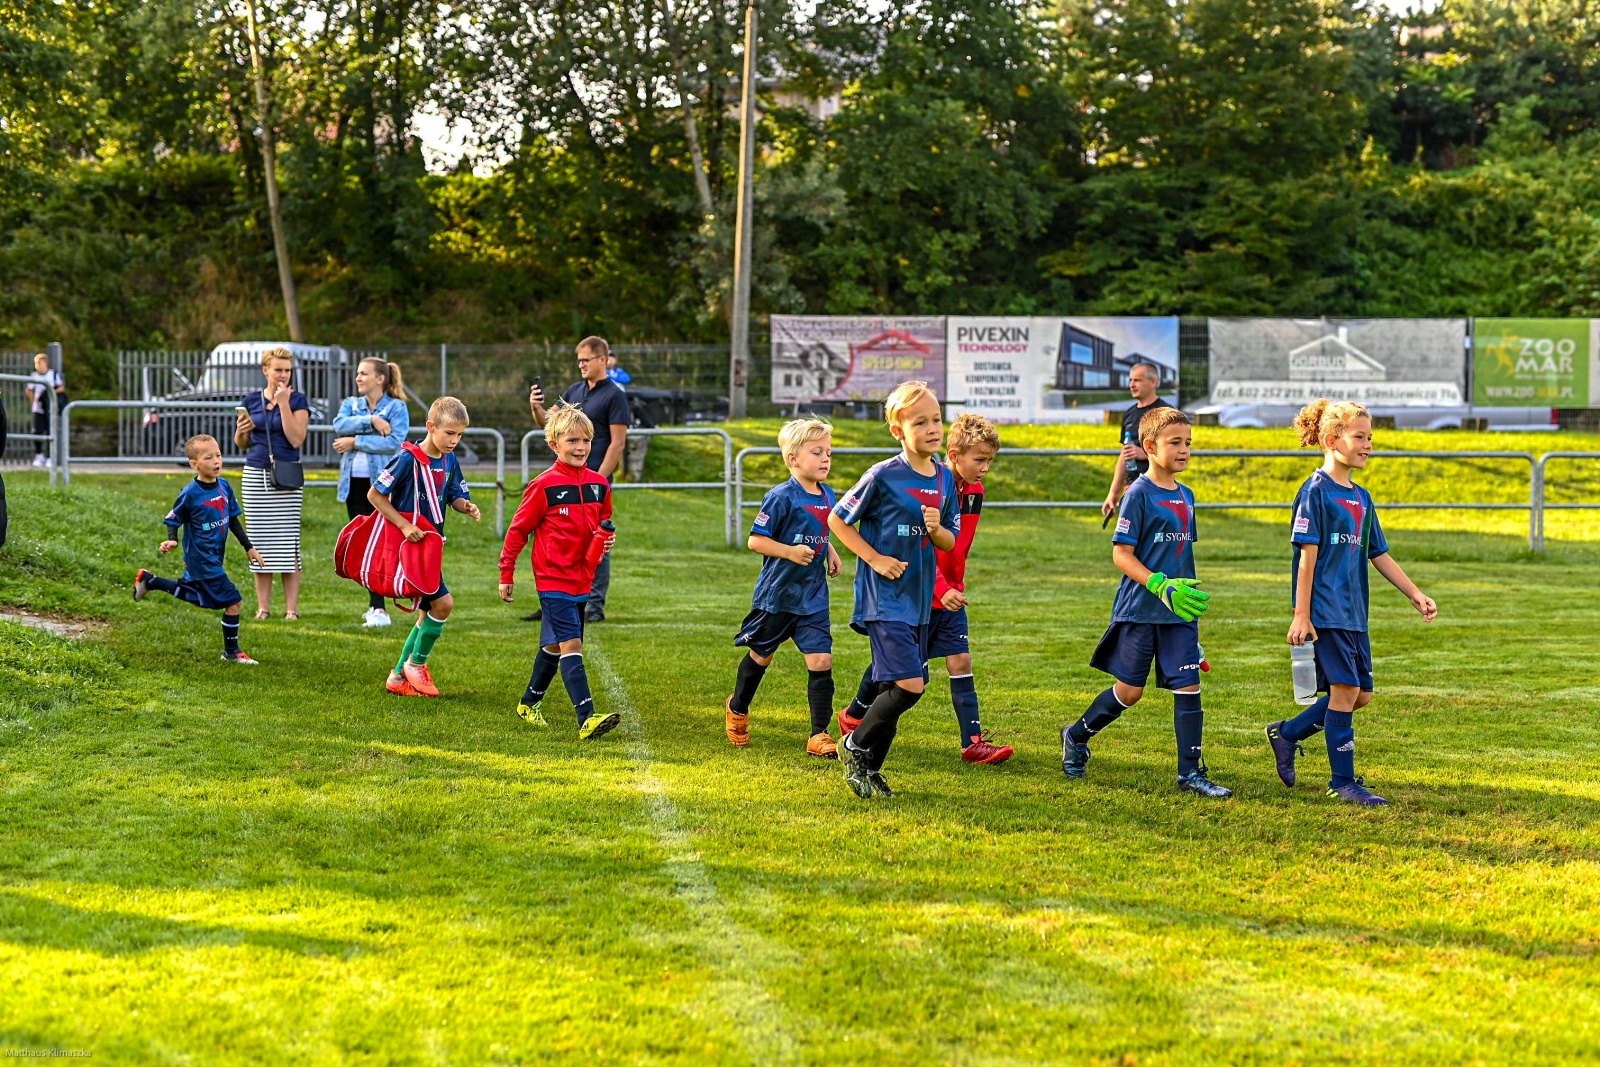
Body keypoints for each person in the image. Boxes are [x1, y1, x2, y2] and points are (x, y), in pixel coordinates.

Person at [1265, 399, 1437, 807]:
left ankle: (1287, 734)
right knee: (1345, 691)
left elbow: (1378, 553)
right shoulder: (1314, 492)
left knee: (1360, 696)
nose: (1368, 444)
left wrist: (1415, 593)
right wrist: (1301, 614)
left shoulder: (1361, 497)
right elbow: (1306, 558)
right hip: (1326, 612)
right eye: (1359, 436)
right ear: (1331, 440)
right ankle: (1342, 782)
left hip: (1355, 613)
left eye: (1370, 437)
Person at [1061, 406, 1232, 798]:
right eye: (1175, 443)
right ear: (1149, 446)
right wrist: (1160, 584)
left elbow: (1181, 556)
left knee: (1188, 685)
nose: (1185, 450)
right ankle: (1075, 735)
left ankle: (1191, 773)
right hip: (1141, 607)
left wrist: (1188, 621)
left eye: (1189, 443)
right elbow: (1121, 554)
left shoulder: (1187, 496)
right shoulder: (1137, 494)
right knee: (1130, 691)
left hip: (1179, 613)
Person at [838, 413, 1013, 765]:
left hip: (949, 593)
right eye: (979, 460)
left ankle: (973, 742)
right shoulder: (927, 483)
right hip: (918, 591)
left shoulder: (975, 491)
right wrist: (940, 587)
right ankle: (855, 717)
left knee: (959, 659)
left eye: (989, 460)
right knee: (902, 672)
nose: (985, 468)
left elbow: (955, 544)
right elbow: (920, 548)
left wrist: (955, 583)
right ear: (954, 452)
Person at [827, 381, 959, 799]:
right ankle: (855, 745)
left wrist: (937, 529)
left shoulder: (944, 479)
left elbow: (950, 541)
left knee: (897, 688)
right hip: (884, 598)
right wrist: (876, 559)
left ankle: (868, 769)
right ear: (898, 431)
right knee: (909, 685)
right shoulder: (883, 475)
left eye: (936, 419)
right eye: (919, 421)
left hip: (920, 600)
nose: (932, 427)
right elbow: (837, 520)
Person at [497, 404, 621, 741]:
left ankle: (528, 703)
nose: (580, 448)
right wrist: (506, 572)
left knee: (553, 645)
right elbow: (518, 531)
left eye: (586, 441)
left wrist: (605, 539)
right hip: (554, 580)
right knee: (572, 643)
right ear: (554, 444)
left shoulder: (598, 484)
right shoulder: (543, 485)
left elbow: (604, 520)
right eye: (572, 441)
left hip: (584, 579)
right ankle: (587, 718)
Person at [725, 418, 843, 758]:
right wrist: (790, 552)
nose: (825, 459)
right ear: (793, 459)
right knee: (762, 656)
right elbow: (755, 541)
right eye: (817, 452)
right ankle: (738, 708)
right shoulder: (780, 497)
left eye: (829, 453)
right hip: (778, 596)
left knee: (821, 659)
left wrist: (830, 550)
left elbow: (821, 530)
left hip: (813, 597)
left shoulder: (827, 494)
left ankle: (819, 734)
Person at [368, 397, 482, 698]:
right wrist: (404, 526)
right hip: (410, 547)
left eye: (460, 435)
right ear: (431, 427)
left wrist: (465, 506)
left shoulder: (450, 459)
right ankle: (416, 665)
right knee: (443, 604)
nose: (454, 441)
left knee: (427, 612)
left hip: (431, 548)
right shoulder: (408, 458)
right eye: (449, 434)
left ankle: (397, 676)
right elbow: (375, 495)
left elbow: (455, 493)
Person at [133, 434, 266, 664]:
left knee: (197, 597)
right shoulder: (190, 493)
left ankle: (150, 581)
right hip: (201, 559)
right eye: (209, 457)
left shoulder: (224, 487)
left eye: (219, 455)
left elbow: (232, 519)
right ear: (194, 464)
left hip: (214, 556)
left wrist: (249, 547)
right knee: (233, 601)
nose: (216, 461)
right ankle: (232, 652)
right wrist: (172, 539)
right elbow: (173, 518)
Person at [528, 336, 630, 622]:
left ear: (602, 360)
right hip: (565, 481)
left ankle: (594, 606)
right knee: (560, 538)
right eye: (579, 361)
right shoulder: (575, 390)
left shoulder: (615, 395)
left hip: (593, 483)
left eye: (586, 360)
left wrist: (598, 480)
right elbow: (550, 424)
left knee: (599, 541)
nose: (582, 365)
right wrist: (536, 407)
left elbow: (618, 443)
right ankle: (553, 600)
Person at [333, 357, 411, 628]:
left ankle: (390, 603)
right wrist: (372, 420)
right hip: (354, 486)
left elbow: (394, 443)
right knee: (362, 542)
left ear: (380, 379)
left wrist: (356, 440)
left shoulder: (397, 407)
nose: (358, 378)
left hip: (382, 487)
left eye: (363, 374)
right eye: (357, 373)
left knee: (382, 543)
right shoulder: (350, 404)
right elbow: (339, 425)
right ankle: (376, 606)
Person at [234, 346, 309, 620]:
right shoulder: (251, 400)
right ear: (265, 370)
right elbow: (242, 443)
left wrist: (284, 403)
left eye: (287, 370)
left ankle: (291, 610)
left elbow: (296, 438)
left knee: (288, 543)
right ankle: (263, 607)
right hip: (256, 474)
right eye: (278, 369)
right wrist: (241, 432)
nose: (283, 375)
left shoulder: (298, 400)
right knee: (260, 540)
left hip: (286, 475)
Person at [1100, 361, 1171, 520]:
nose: (1132, 384)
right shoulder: (1129, 414)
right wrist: (1113, 493)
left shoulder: (1166, 414)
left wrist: (1145, 454)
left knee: (1155, 540)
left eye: (1137, 380)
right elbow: (1124, 455)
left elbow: (1174, 453)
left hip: (1158, 487)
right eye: (1130, 380)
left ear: (1153, 382)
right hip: (1131, 487)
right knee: (1129, 539)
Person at [26, 351, 65, 469]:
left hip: (50, 409)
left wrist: (49, 393)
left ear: (45, 364)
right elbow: (29, 389)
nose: (37, 366)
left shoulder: (52, 374)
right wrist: (34, 402)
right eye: (36, 363)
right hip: (38, 409)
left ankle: (49, 457)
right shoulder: (34, 376)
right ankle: (39, 455)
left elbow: (61, 387)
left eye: (39, 363)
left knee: (50, 432)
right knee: (36, 432)